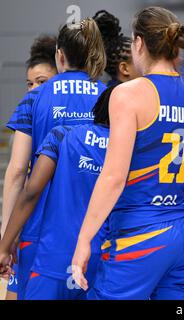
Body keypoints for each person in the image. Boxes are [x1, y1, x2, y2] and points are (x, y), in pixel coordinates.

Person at [71, 6, 184, 300]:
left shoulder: (128, 93)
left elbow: (114, 177)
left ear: (139, 43)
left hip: (141, 232)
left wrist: (83, 240)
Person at [2, 18, 106, 299]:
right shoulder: (109, 97)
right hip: (98, 231)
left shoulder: (35, 97)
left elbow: (17, 171)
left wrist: (6, 236)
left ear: (59, 55)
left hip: (42, 231)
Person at [3, 34, 58, 301]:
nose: (33, 89)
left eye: (41, 82)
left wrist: (6, 235)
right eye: (29, 83)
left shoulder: (32, 106)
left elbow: (15, 173)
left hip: (35, 226)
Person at [93, 10, 140, 85]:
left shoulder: (105, 92)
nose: (146, 64)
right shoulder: (119, 95)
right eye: (140, 61)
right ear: (124, 68)